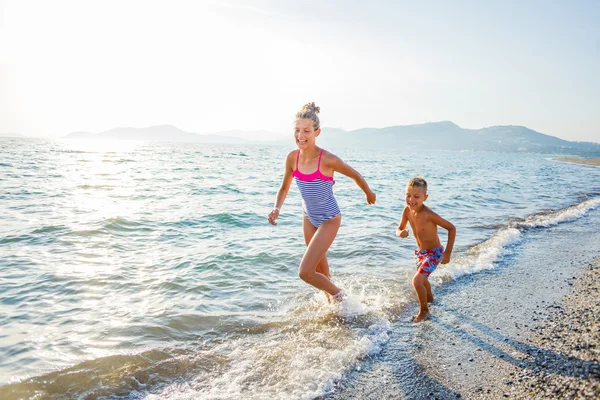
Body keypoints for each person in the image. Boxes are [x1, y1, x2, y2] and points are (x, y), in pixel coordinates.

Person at [268, 102, 376, 302]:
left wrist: (368, 193)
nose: (301, 135)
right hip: (308, 218)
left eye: (306, 131)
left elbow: (355, 175)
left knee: (305, 272)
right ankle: (335, 307)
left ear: (317, 132)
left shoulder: (327, 159)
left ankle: (341, 297)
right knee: (320, 272)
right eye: (297, 130)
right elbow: (284, 187)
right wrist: (277, 207)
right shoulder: (292, 158)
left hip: (329, 219)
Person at [396, 176, 456, 322]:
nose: (411, 199)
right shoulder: (407, 211)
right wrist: (400, 233)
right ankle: (430, 300)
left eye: (416, 196)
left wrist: (447, 253)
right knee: (423, 281)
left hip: (434, 253)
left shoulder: (428, 214)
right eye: (408, 195)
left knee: (417, 281)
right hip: (420, 253)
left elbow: (451, 228)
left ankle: (424, 311)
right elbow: (399, 228)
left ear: (425, 197)